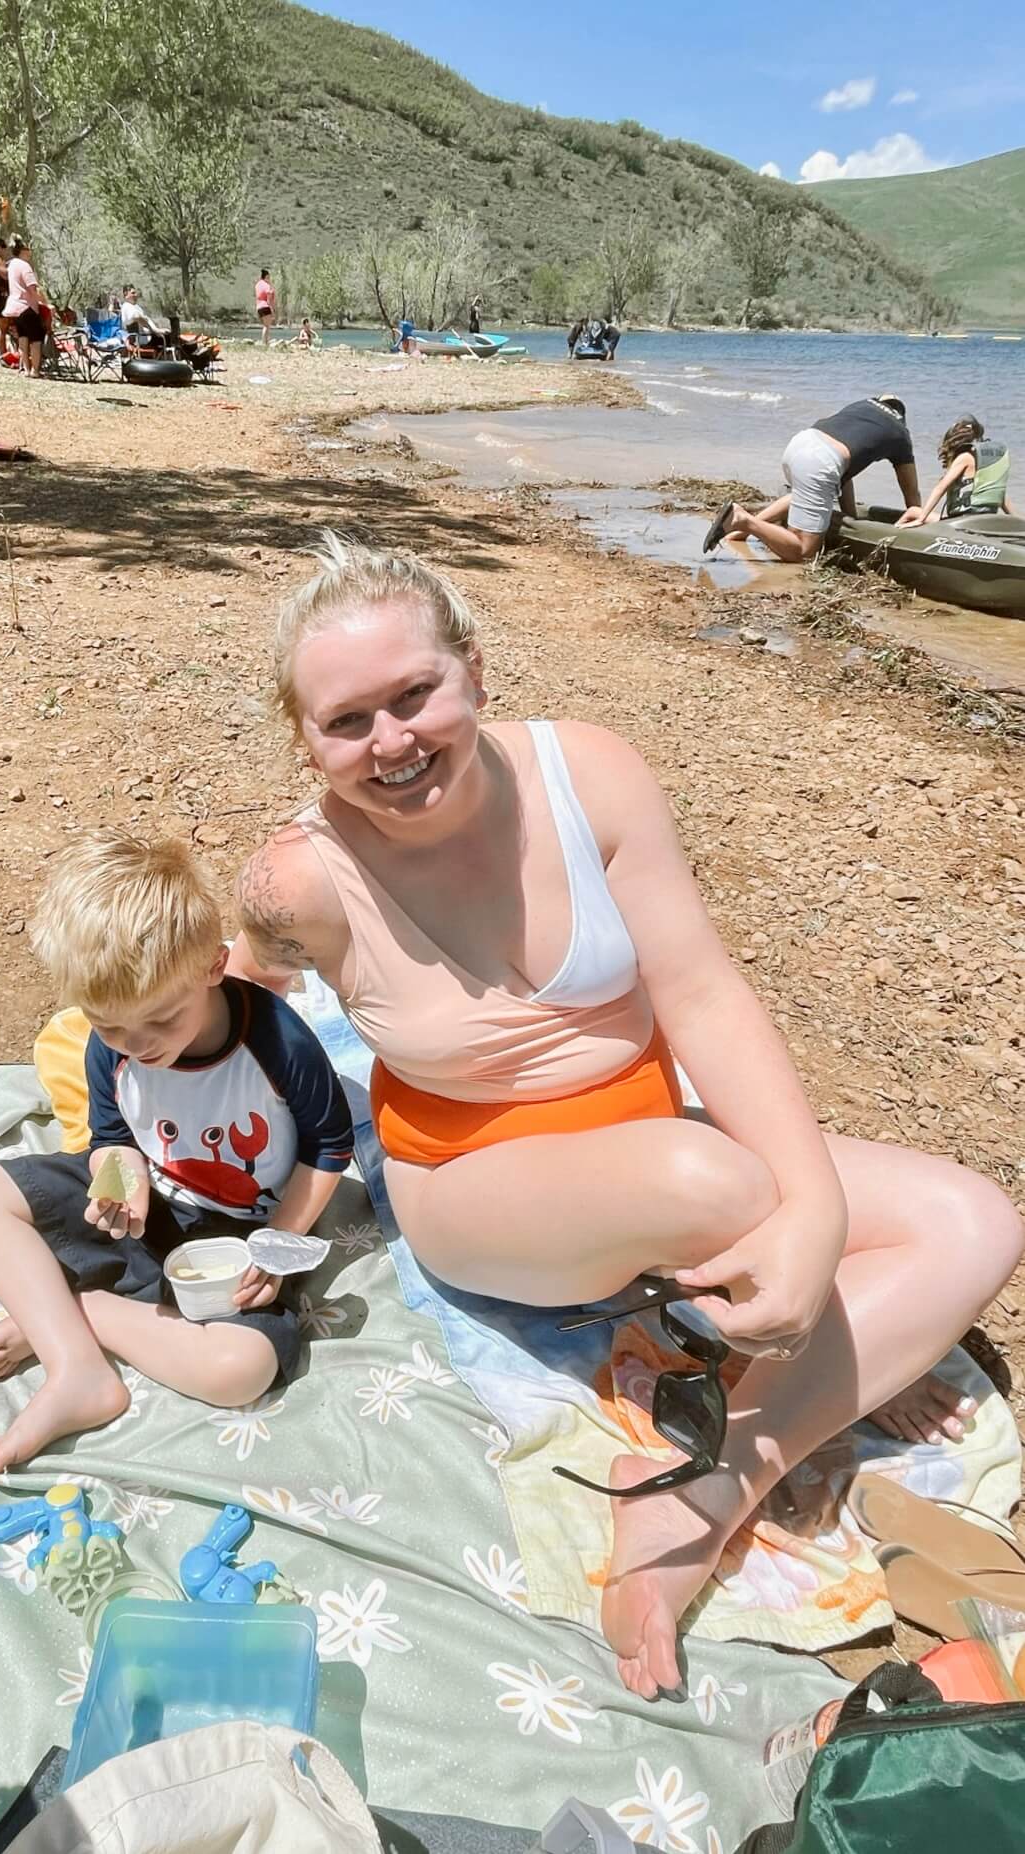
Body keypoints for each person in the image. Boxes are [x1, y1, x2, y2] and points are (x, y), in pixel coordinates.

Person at [229, 534, 1022, 1702]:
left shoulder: (586, 774)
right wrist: (159, 1119)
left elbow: (699, 989)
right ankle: (736, 1451)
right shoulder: (299, 879)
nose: (390, 742)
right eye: (348, 722)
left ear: (474, 673)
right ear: (305, 740)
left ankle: (708, 1487)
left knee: (974, 1220)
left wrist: (814, 1208)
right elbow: (234, 988)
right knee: (722, 1191)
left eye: (414, 695)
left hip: (655, 1131)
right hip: (478, 1183)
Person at [0, 829, 354, 1470]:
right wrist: (118, 1183)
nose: (137, 1045)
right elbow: (112, 1140)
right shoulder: (110, 1043)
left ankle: (78, 1313)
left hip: (240, 1238)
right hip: (154, 1214)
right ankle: (77, 1368)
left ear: (213, 966)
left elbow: (331, 1144)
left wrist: (278, 1243)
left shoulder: (277, 1042)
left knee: (240, 1370)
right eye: (110, 1024)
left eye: (162, 1020)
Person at [706, 394, 921, 563]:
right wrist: (919, 525)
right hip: (822, 462)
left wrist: (850, 518)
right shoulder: (900, 433)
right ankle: (742, 521)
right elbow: (911, 494)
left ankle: (738, 534)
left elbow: (844, 476)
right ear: (901, 416)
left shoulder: (861, 408)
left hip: (800, 444)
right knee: (803, 551)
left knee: (804, 493)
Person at [897, 415, 1014, 526]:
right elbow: (1001, 498)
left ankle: (888, 536)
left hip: (962, 521)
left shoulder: (964, 458)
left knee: (912, 511)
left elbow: (940, 488)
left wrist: (921, 519)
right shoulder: (986, 465)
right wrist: (1018, 522)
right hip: (985, 520)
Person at [3, 236, 48, 378]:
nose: (30, 252)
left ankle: (26, 369)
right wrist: (46, 303)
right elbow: (32, 290)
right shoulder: (25, 266)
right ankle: (35, 370)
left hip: (14, 307)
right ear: (23, 250)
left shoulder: (12, 265)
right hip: (26, 307)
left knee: (23, 338)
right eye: (28, 249)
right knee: (36, 340)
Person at [120, 283, 162, 348]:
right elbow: (137, 317)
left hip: (145, 335)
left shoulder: (136, 307)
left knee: (168, 336)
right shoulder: (126, 306)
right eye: (133, 293)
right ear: (126, 295)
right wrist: (153, 330)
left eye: (135, 293)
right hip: (137, 339)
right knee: (164, 339)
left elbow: (143, 318)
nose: (136, 295)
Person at [255, 268, 276, 346]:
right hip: (265, 306)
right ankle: (265, 342)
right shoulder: (267, 285)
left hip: (259, 306)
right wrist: (272, 310)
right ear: (266, 276)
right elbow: (269, 299)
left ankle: (265, 341)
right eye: (269, 277)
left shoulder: (257, 284)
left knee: (265, 325)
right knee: (267, 326)